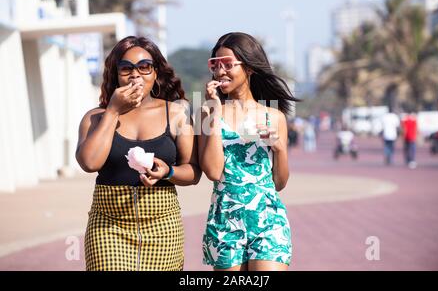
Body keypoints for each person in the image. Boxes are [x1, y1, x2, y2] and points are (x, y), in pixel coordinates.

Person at [76, 36, 201, 271]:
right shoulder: (95, 117)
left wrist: (168, 171)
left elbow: (194, 172)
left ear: (155, 74)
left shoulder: (176, 113)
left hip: (162, 226)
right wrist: (112, 111)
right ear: (116, 75)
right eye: (126, 68)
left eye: (144, 67)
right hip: (108, 226)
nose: (135, 75)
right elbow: (89, 163)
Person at [198, 32, 300, 271]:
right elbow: (213, 171)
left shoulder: (274, 117)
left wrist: (280, 149)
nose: (220, 71)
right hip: (225, 221)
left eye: (228, 64)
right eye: (215, 64)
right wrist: (213, 112)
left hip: (268, 220)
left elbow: (279, 183)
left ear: (249, 68)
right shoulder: (206, 113)